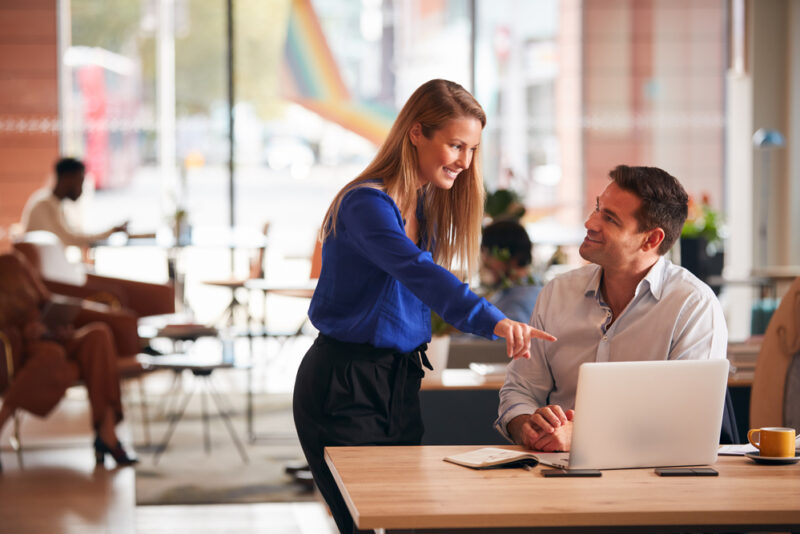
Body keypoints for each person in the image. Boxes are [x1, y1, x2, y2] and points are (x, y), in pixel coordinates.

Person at [292, 79, 556, 533]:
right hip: (345, 384)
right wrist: (495, 321)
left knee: (403, 521)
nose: (465, 162)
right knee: (364, 526)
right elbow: (421, 274)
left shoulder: (423, 206)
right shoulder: (365, 204)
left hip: (399, 383)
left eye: (472, 149)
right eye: (456, 145)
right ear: (417, 132)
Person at [496, 165, 728, 452]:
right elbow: (520, 391)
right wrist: (527, 426)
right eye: (597, 208)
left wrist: (584, 436)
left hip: (650, 474)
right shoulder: (557, 293)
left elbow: (688, 421)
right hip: (553, 469)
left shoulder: (693, 305)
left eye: (610, 218)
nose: (590, 222)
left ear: (651, 239)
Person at [0, 252, 137, 467]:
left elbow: (45, 299)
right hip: (22, 347)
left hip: (51, 335)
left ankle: (107, 431)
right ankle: (2, 419)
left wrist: (58, 323)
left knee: (98, 334)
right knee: (51, 355)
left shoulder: (15, 262)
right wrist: (25, 331)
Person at [20, 157, 128, 247]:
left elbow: (72, 235)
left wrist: (110, 232)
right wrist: (109, 232)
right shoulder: (44, 204)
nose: (81, 189)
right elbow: (70, 239)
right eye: (80, 181)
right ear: (67, 178)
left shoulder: (55, 204)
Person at [480, 219, 542, 323]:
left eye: (489, 254)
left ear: (513, 256)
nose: (485, 262)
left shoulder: (518, 301)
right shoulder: (528, 289)